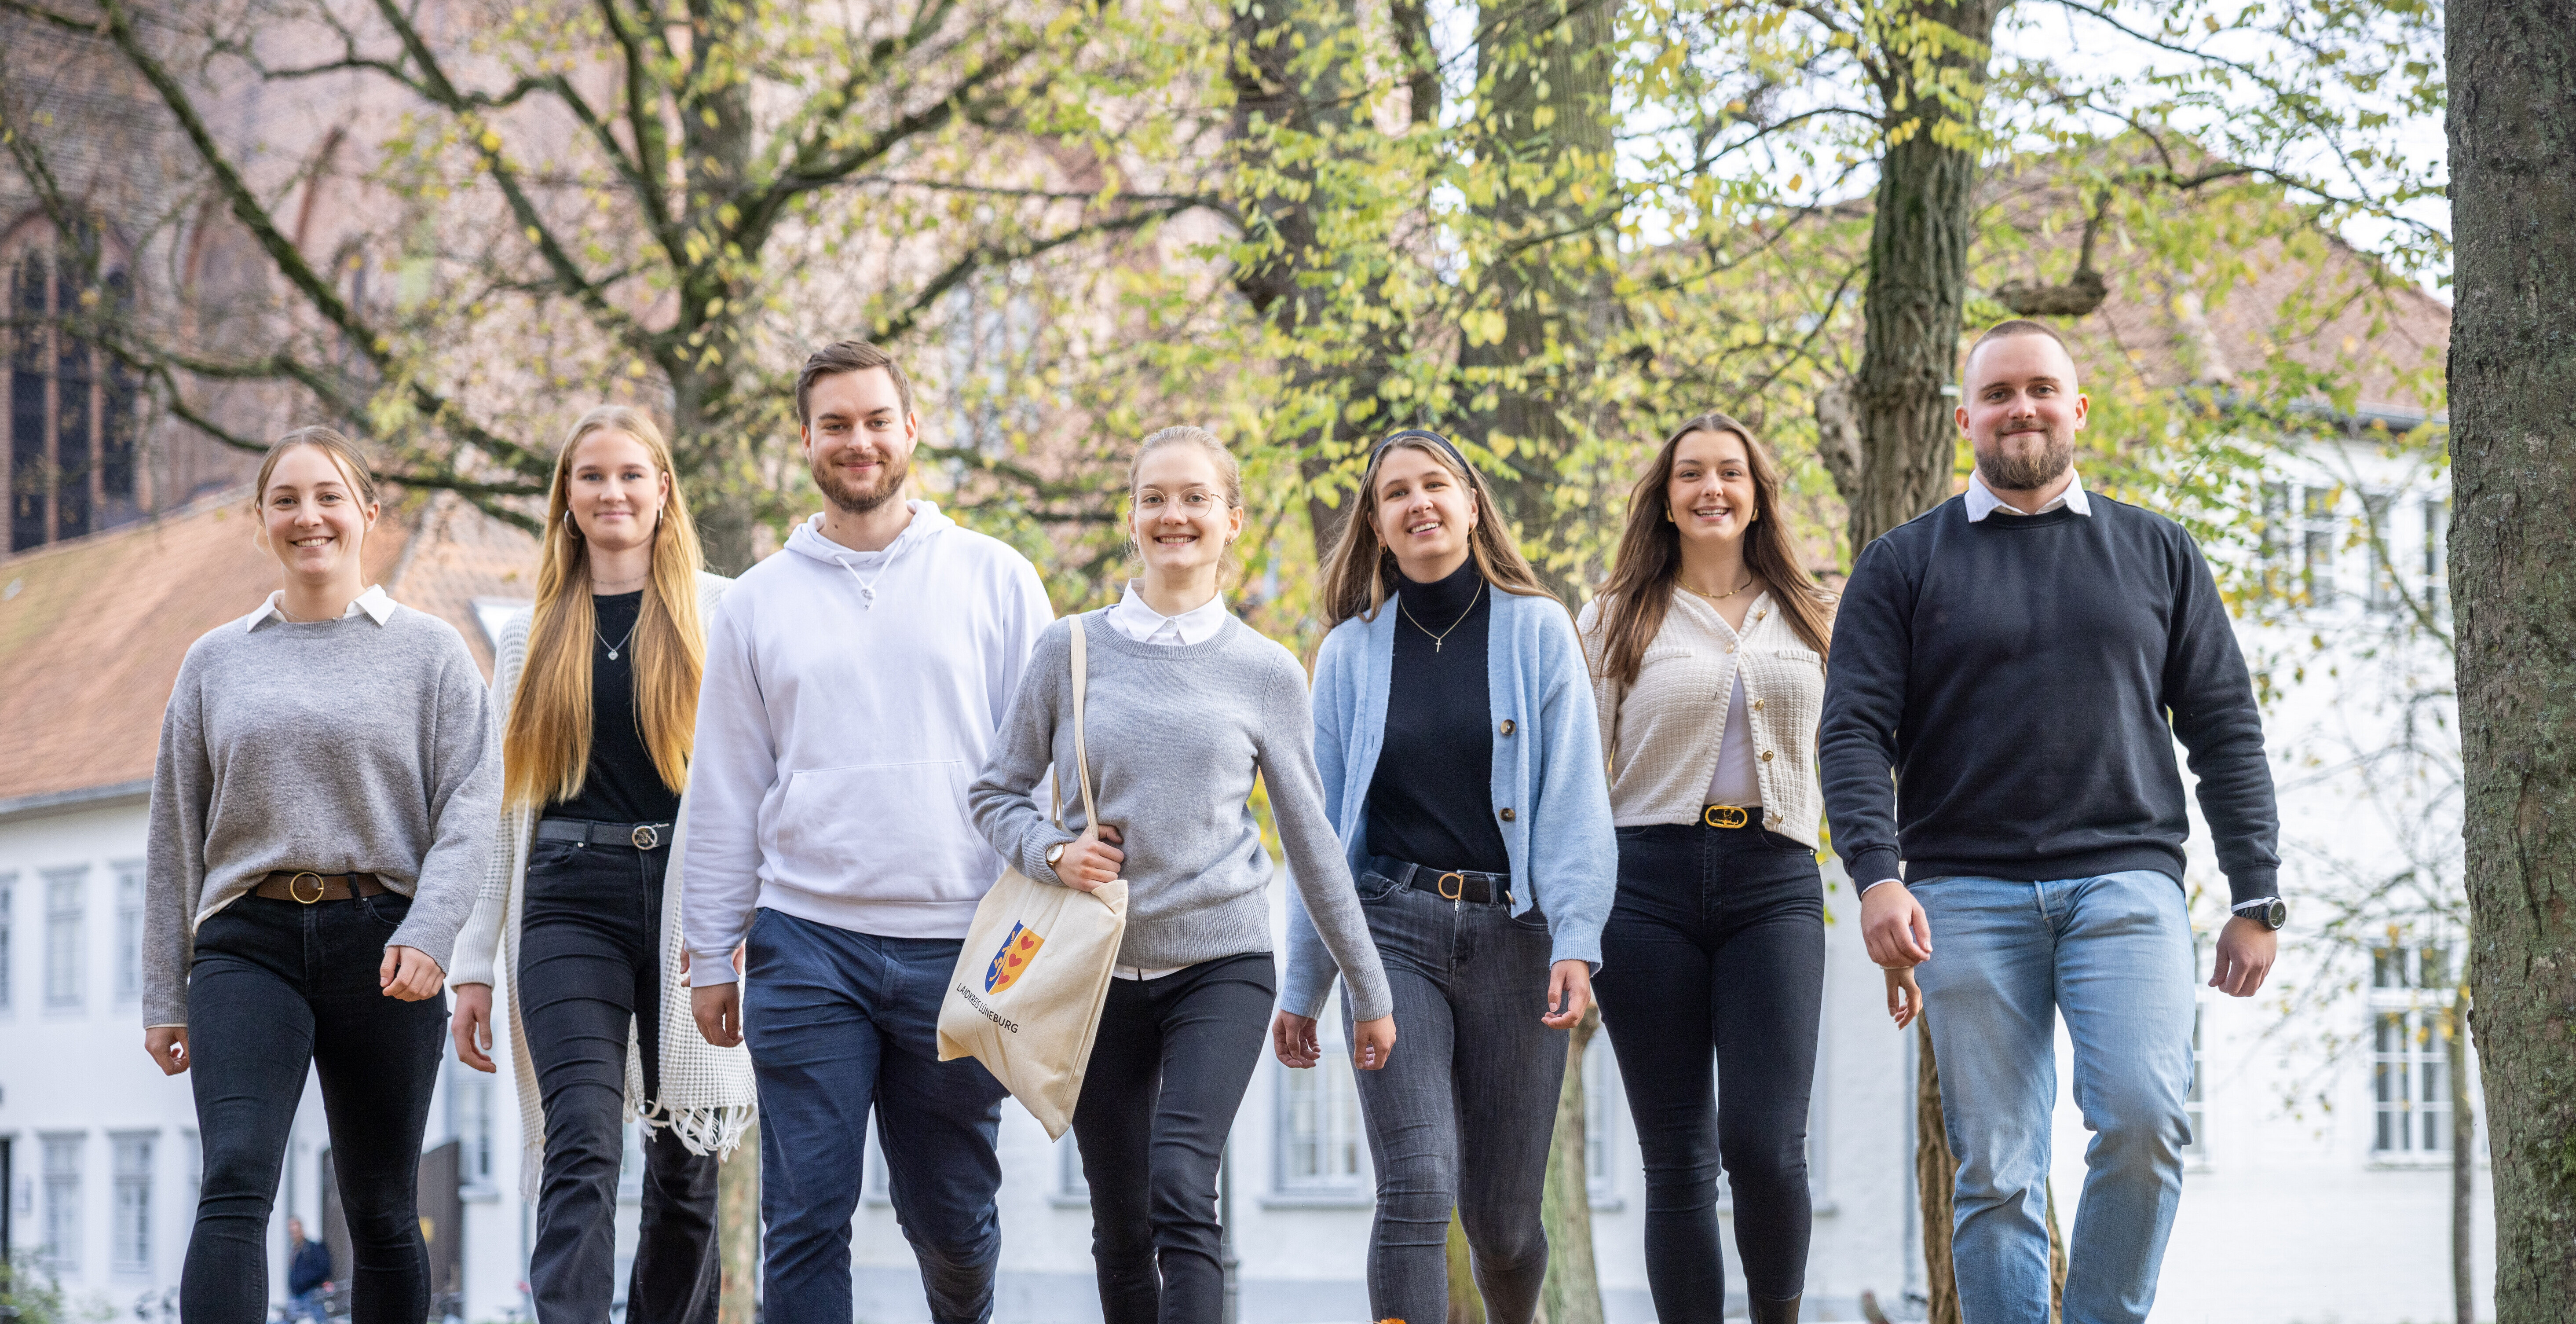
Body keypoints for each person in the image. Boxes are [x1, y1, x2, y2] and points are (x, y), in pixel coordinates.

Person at [1820, 320, 2283, 1324]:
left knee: (2143, 1123)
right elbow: (1851, 730)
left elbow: (2224, 727)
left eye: (2039, 389)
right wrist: (1875, 874)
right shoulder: (1900, 564)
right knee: (1995, 1168)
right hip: (1961, 892)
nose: (2018, 408)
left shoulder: (2155, 549)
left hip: (2125, 880)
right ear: (1964, 419)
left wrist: (2256, 889)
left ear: (2076, 408)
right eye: (1996, 394)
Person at [968, 426, 1400, 1324]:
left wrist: (1368, 985)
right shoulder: (1069, 650)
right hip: (1094, 972)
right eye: (1155, 497)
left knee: (1180, 1180)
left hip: (1221, 961)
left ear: (1232, 519)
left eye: (1196, 498)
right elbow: (995, 794)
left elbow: (1313, 843)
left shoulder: (1267, 670)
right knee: (1122, 1220)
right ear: (1133, 516)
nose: (1175, 515)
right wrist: (1053, 850)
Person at [682, 341, 1054, 1324]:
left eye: (875, 421)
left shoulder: (998, 579)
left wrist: (1046, 931)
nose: (858, 441)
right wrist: (710, 955)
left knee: (953, 1220)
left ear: (911, 430)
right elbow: (725, 787)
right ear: (806, 440)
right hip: (806, 942)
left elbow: (1052, 774)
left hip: (965, 946)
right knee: (806, 1215)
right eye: (835, 424)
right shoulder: (758, 599)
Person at [141, 428, 500, 1323]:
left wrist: (432, 931)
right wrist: (162, 992)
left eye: (330, 497)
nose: (310, 517)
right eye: (288, 499)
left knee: (380, 1205)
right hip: (245, 945)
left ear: (368, 515)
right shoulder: (214, 660)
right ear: (262, 520)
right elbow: (173, 831)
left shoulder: (432, 652)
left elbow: (472, 807)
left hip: (384, 944)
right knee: (234, 1177)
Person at [1278, 428, 1617, 1324]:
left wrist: (1577, 939)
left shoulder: (1538, 630)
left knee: (1503, 1224)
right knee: (1417, 1185)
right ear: (1378, 526)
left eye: (1436, 485)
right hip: (1390, 934)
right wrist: (1303, 981)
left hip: (1517, 938)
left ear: (1472, 505)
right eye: (1397, 493)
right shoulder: (1348, 654)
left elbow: (1577, 798)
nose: (1419, 502)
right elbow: (1317, 836)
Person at [448, 406, 750, 1323]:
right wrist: (470, 965)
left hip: (694, 906)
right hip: (567, 899)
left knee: (687, 1159)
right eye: (591, 477)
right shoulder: (527, 635)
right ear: (566, 501)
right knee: (580, 1139)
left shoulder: (725, 610)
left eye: (631, 475)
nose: (612, 492)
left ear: (663, 490)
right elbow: (498, 812)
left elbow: (761, 774)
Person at [1577, 413, 1837, 1324]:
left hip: (1776, 879)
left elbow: (1855, 749)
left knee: (1765, 1142)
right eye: (1691, 474)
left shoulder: (1815, 611)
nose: (1712, 488)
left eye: (1731, 472)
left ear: (1759, 493)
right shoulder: (1614, 614)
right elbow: (1580, 778)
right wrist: (1570, 922)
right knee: (1678, 1154)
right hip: (1644, 886)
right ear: (1666, 497)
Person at [285, 1217, 332, 1323]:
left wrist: (308, 1281)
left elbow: (325, 1269)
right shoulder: (294, 1250)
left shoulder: (313, 1248)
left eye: (296, 1231)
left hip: (311, 1295)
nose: (294, 1235)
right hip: (296, 1296)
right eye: (291, 1232)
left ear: (301, 1230)